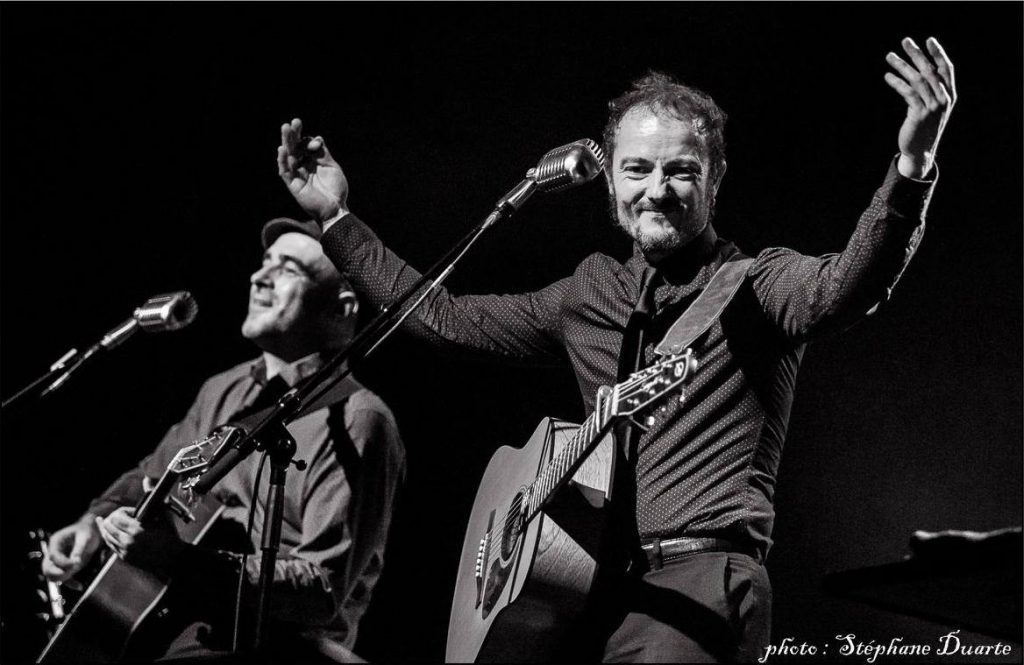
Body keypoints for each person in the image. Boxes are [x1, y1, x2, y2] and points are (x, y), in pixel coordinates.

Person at [276, 37, 955, 663]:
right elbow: (444, 318)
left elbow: (849, 284)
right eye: (636, 168)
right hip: (590, 591)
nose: (656, 189)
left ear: (714, 180)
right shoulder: (589, 292)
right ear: (610, 184)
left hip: (703, 583)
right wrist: (336, 220)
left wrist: (913, 163)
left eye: (681, 171)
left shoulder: (759, 285)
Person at [41, 219, 406, 662]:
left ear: (341, 307)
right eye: (263, 264)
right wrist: (92, 525)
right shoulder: (225, 388)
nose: (258, 278)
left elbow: (321, 593)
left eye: (288, 269)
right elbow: (152, 475)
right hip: (176, 630)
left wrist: (175, 559)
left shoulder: (358, 421)